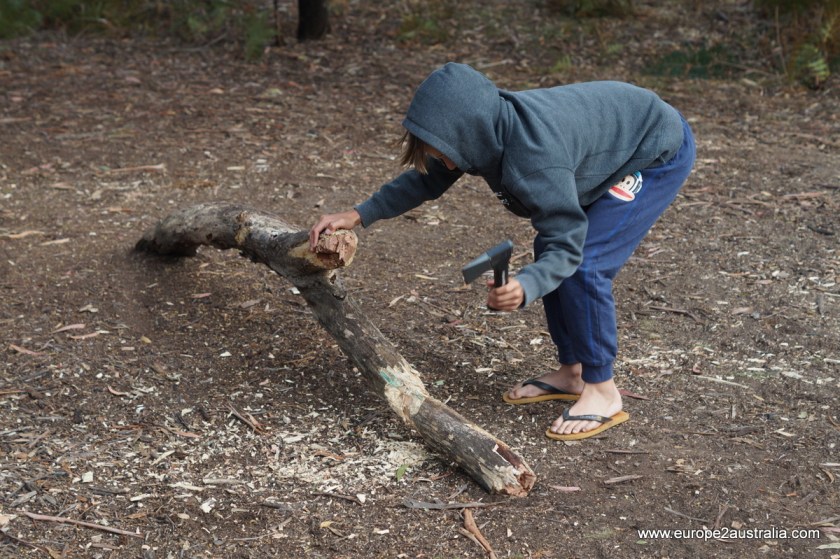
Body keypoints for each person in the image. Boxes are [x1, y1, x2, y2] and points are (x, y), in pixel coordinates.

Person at [309, 62, 695, 441]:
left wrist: (527, 285)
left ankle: (603, 389)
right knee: (554, 250)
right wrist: (358, 214)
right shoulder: (481, 132)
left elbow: (568, 245)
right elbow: (426, 180)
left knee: (585, 264)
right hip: (607, 142)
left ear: (469, 134)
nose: (443, 161)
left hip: (655, 148)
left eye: (444, 153)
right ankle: (572, 372)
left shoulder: (534, 162)